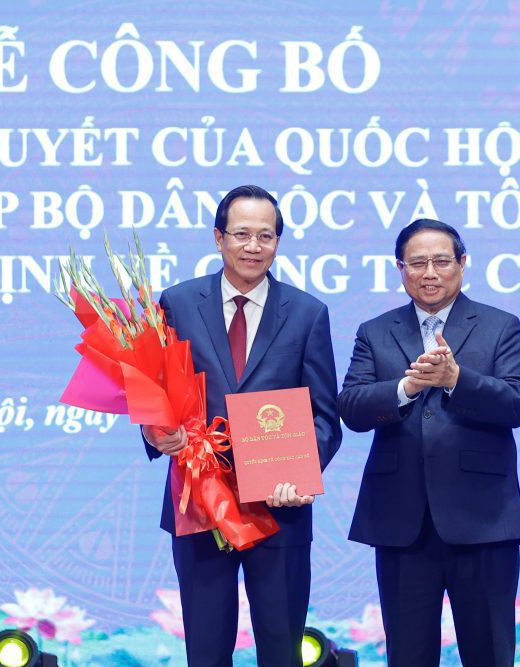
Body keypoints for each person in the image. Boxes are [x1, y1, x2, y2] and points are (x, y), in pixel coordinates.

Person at [141, 184, 342, 667]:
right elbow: (156, 391)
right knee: (207, 649)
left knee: (282, 648)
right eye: (242, 234)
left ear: (278, 242)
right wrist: (156, 432)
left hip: (279, 509)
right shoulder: (178, 303)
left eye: (266, 236)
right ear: (219, 238)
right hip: (199, 503)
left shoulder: (308, 313)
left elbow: (325, 416)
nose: (254, 246)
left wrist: (299, 474)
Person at [338, 218, 520, 667]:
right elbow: (351, 406)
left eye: (441, 261)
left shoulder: (500, 326)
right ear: (400, 269)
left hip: (483, 519)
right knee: (408, 655)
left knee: (489, 653)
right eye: (418, 263)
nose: (430, 273)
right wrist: (404, 389)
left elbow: (519, 402)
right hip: (401, 522)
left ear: (462, 264)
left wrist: (456, 379)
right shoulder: (375, 331)